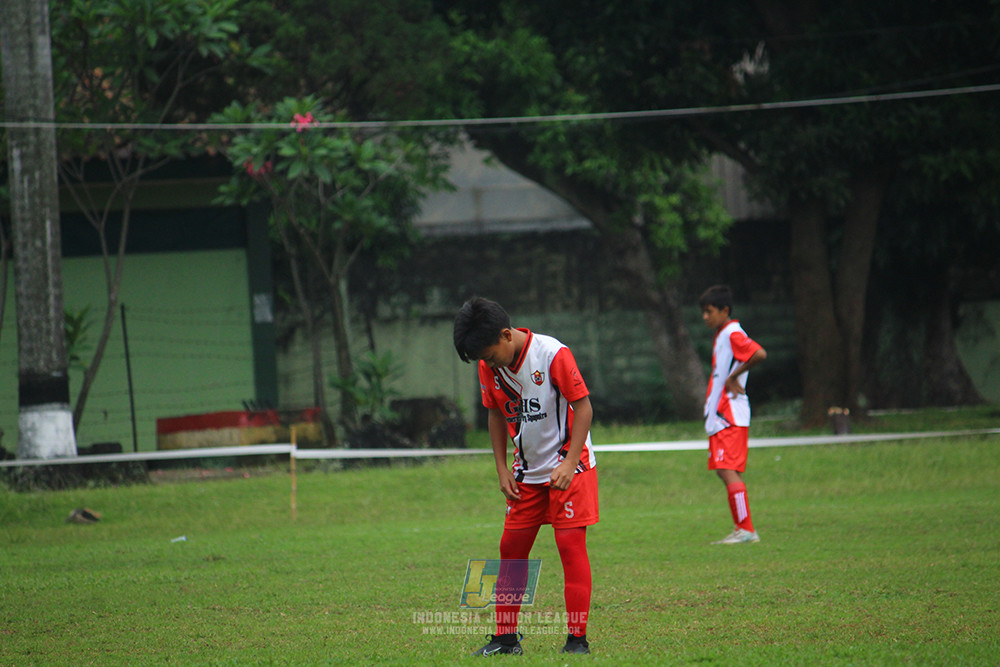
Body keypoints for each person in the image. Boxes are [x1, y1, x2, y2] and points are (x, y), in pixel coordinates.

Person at [454, 297, 598, 656]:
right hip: (526, 475)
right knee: (511, 549)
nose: (486, 364)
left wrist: (567, 463)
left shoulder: (552, 354)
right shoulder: (489, 366)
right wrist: (502, 468)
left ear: (506, 335)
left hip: (571, 469)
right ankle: (506, 639)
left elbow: (583, 407)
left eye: (488, 355)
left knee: (569, 547)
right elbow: (494, 414)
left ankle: (576, 640)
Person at [699, 285, 767, 545]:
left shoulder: (731, 332)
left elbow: (759, 353)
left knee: (727, 469)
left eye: (709, 311)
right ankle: (743, 528)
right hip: (720, 414)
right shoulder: (722, 334)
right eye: (703, 312)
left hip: (729, 414)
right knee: (723, 470)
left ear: (724, 311)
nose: (705, 317)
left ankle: (746, 530)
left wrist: (734, 376)